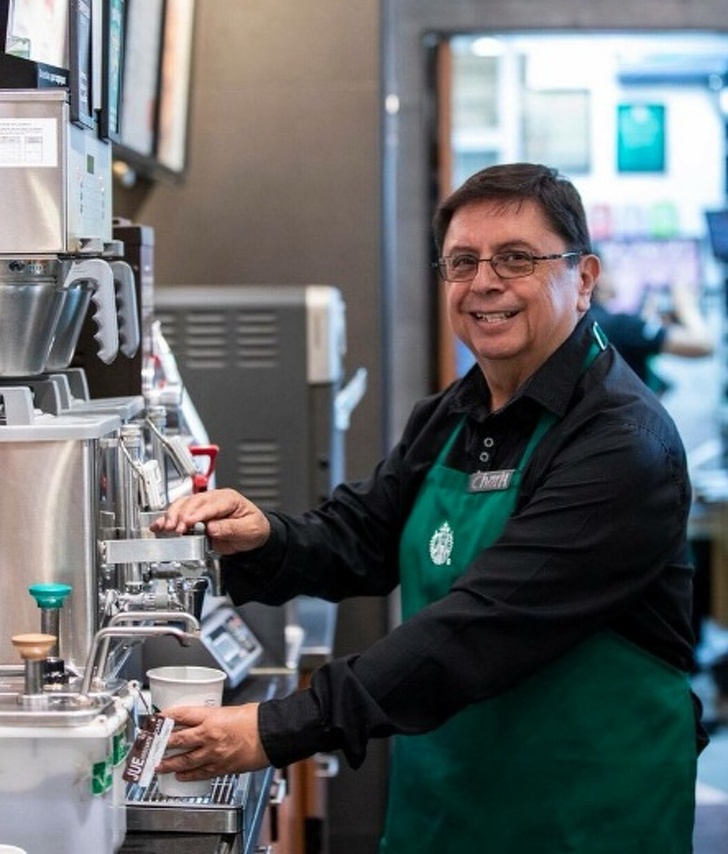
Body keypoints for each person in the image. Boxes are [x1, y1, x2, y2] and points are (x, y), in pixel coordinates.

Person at [151, 162, 705, 853]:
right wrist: (264, 538)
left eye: (517, 260)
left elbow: (481, 627)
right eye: (462, 262)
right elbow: (361, 536)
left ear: (583, 278)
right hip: (450, 805)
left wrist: (276, 728)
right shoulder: (455, 412)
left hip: (583, 815)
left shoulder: (622, 443)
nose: (485, 283)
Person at [590, 271, 714, 393]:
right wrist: (685, 304)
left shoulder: (586, 322)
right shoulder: (621, 326)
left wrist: (646, 323)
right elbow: (703, 345)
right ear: (598, 276)